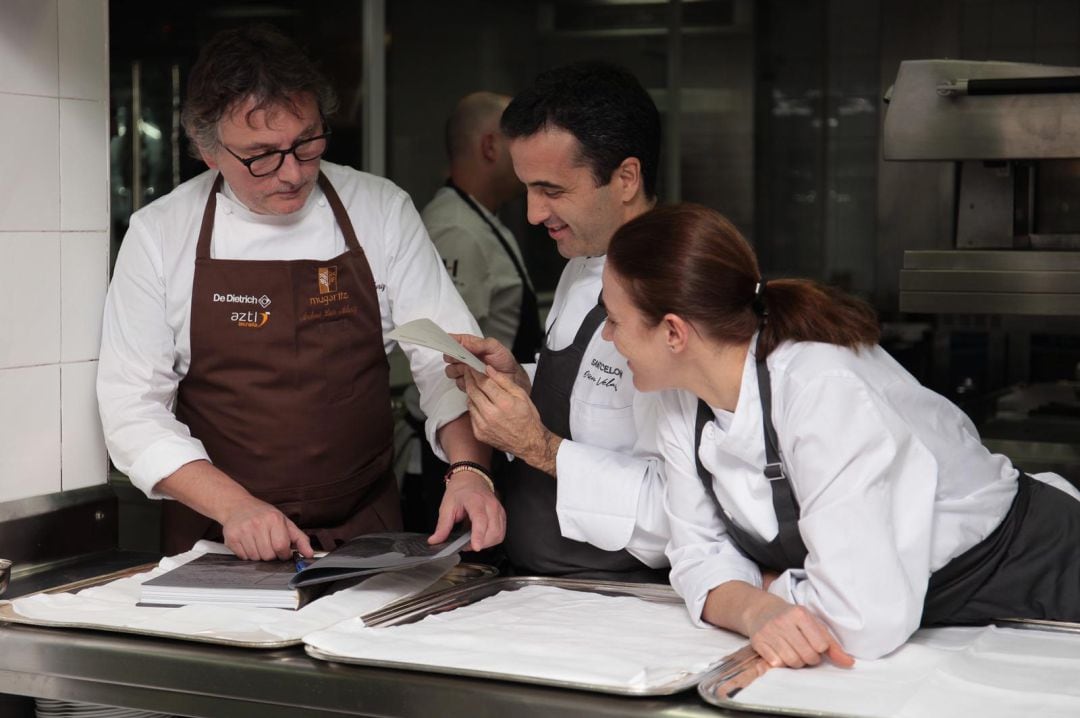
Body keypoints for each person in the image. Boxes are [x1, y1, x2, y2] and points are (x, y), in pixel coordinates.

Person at [602, 202, 1080, 667]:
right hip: (940, 623)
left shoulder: (819, 389)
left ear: (673, 333)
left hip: (1039, 580)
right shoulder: (679, 400)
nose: (607, 337)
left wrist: (766, 583)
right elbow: (693, 555)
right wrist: (757, 609)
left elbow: (861, 620)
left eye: (614, 319)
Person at [97, 25, 504, 563]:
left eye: (306, 142)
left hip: (369, 532)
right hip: (219, 536)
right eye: (261, 155)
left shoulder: (379, 209)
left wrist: (471, 471)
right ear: (206, 150)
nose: (291, 173)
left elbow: (447, 359)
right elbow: (132, 409)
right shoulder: (160, 234)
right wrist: (236, 506)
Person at [445, 62, 669, 579]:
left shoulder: (678, 297)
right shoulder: (580, 263)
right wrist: (520, 381)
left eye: (552, 190)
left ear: (626, 178)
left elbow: (677, 510)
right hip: (535, 582)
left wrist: (538, 449)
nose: (531, 213)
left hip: (618, 597)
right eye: (526, 187)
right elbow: (591, 408)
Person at [421, 91, 542, 362]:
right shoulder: (456, 230)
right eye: (520, 138)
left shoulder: (479, 218)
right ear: (490, 147)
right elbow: (448, 354)